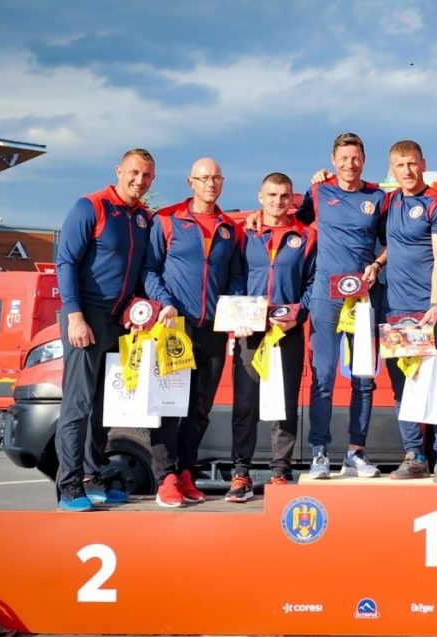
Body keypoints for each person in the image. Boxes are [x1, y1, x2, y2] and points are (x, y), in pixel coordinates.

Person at [53, 148, 155, 512]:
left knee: (104, 406)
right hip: (87, 315)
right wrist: (74, 315)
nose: (139, 180)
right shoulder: (90, 207)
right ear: (119, 171)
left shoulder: (143, 217)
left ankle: (92, 478)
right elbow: (65, 261)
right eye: (134, 172)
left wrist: (140, 306)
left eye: (147, 175)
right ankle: (68, 485)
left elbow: (142, 271)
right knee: (78, 404)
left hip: (119, 321)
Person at [143, 157, 243, 508]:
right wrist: (165, 303)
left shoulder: (230, 229)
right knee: (169, 406)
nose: (210, 184)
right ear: (191, 182)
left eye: (216, 178)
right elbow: (149, 270)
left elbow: (235, 277)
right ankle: (166, 478)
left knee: (199, 408)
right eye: (203, 178)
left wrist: (234, 310)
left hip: (213, 330)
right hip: (175, 326)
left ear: (223, 182)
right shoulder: (167, 220)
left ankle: (186, 472)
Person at [296, 133, 387, 480]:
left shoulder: (377, 197)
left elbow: (392, 243)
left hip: (363, 297)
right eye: (344, 159)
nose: (350, 164)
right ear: (333, 161)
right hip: (326, 295)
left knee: (363, 378)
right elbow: (291, 225)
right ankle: (319, 453)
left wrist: (376, 265)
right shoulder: (318, 192)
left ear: (364, 160)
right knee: (323, 377)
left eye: (356, 158)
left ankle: (356, 453)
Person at [227, 173, 316, 501]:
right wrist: (239, 314)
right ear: (260, 197)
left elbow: (312, 283)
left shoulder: (305, 236)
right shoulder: (245, 234)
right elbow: (234, 276)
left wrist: (298, 315)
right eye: (272, 195)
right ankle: (241, 473)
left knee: (284, 403)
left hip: (287, 332)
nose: (278, 201)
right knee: (245, 403)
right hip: (251, 332)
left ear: (292, 199)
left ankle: (280, 471)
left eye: (285, 196)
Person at [380, 140, 437, 485]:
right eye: (400, 165)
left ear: (423, 164)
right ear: (392, 170)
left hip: (426, 310)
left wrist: (436, 304)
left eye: (412, 164)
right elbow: (390, 246)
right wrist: (376, 264)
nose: (407, 171)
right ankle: (414, 455)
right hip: (393, 310)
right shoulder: (388, 203)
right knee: (403, 385)